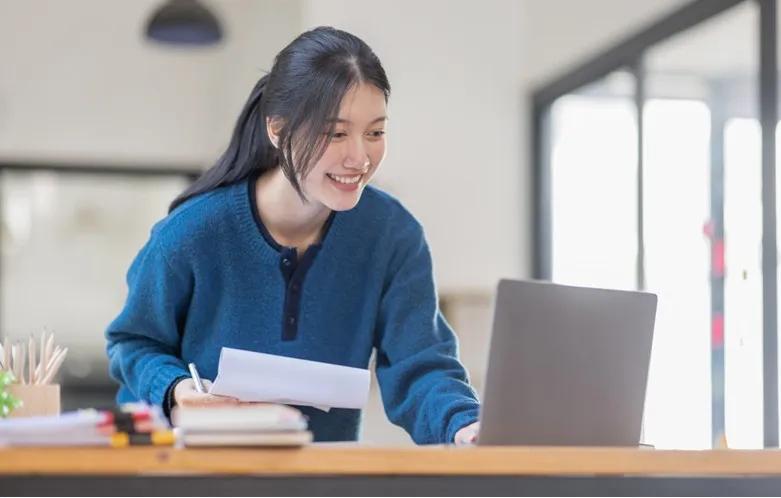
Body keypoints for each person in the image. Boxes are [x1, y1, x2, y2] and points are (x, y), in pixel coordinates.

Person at [105, 26, 480, 445]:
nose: (360, 157)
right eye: (335, 133)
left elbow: (421, 364)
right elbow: (132, 343)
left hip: (320, 479)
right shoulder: (193, 232)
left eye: (374, 132)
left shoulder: (393, 235)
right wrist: (175, 391)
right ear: (278, 130)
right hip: (192, 474)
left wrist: (464, 426)